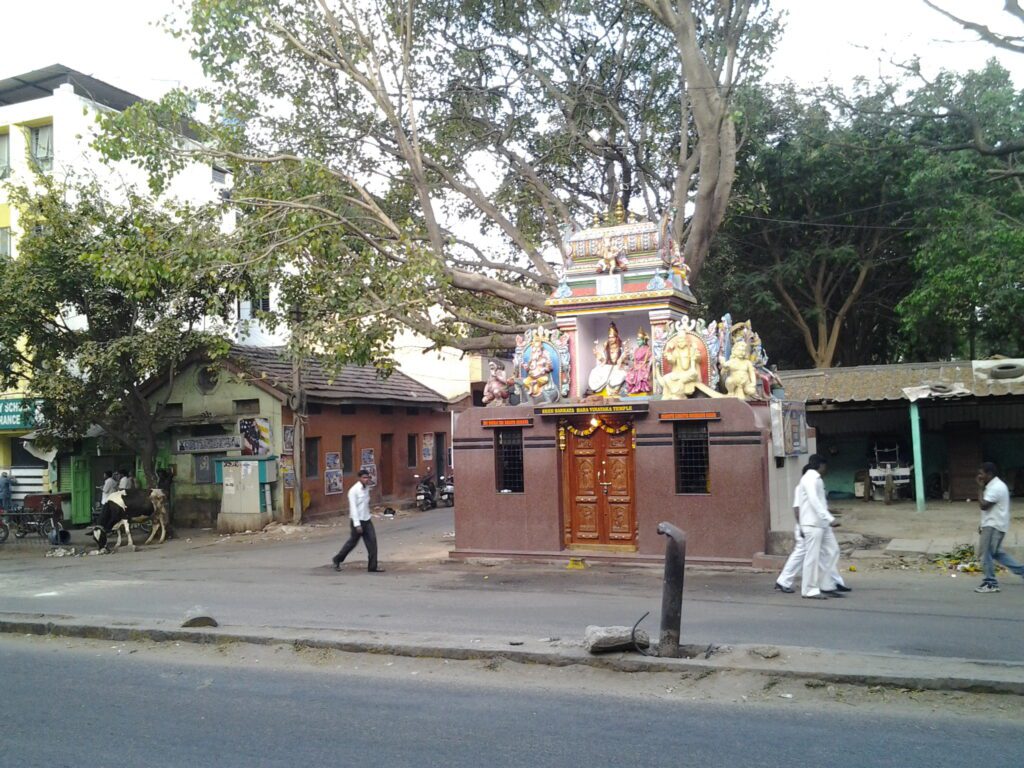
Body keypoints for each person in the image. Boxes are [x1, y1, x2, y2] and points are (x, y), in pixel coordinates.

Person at [775, 463, 850, 595]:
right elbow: (797, 508)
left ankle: (831, 582)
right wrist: (801, 527)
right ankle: (784, 581)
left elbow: (819, 504)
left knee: (827, 553)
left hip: (817, 524)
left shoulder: (816, 484)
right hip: (806, 525)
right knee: (804, 554)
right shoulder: (803, 486)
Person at [974, 462, 1024, 594]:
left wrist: (979, 488)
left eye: (981, 474)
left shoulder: (996, 487)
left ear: (989, 474)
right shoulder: (994, 485)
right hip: (993, 524)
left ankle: (991, 583)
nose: (979, 477)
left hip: (994, 526)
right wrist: (983, 524)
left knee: (986, 554)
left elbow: (984, 505)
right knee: (996, 553)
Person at [796, 455, 839, 599]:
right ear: (820, 465)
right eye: (825, 466)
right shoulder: (810, 478)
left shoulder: (816, 479)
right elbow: (814, 501)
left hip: (821, 524)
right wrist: (830, 518)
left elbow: (820, 501)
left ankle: (826, 584)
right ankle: (809, 590)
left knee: (833, 551)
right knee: (812, 558)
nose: (826, 469)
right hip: (812, 523)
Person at [331, 469, 385, 573]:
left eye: (367, 477)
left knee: (372, 543)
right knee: (352, 543)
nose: (366, 480)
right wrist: (357, 524)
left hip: (366, 519)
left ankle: (372, 567)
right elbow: (353, 508)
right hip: (357, 521)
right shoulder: (353, 491)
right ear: (359, 478)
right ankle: (337, 559)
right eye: (364, 478)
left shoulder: (367, 488)